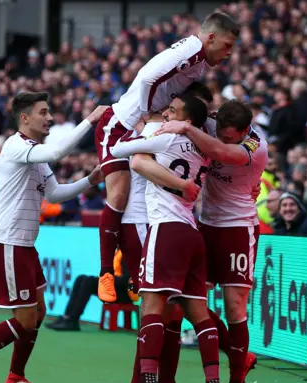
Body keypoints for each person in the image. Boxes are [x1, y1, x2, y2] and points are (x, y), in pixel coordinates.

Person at [0, 92, 106, 383]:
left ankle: (16, 376)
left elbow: (55, 196)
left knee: (39, 311)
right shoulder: (16, 146)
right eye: (43, 112)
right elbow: (58, 151)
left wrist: (91, 179)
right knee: (25, 319)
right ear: (24, 119)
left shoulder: (35, 155)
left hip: (24, 245)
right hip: (7, 243)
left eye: (49, 112)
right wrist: (90, 119)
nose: (50, 118)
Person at [95, 12, 239, 304]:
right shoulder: (190, 51)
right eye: (226, 45)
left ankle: (138, 274)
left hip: (143, 125)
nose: (228, 53)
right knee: (120, 195)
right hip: (121, 124)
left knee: (139, 198)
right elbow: (148, 76)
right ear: (211, 37)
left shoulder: (197, 60)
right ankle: (106, 272)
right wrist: (148, 113)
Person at [112, 94, 225, 383]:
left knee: (151, 304)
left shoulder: (164, 136)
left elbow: (121, 152)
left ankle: (148, 382)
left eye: (173, 111)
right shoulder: (204, 149)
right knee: (199, 313)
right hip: (192, 232)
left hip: (166, 227)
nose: (166, 114)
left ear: (186, 121)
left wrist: (148, 131)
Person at [157, 99, 268, 383]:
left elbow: (221, 153)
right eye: (220, 133)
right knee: (186, 304)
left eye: (230, 136)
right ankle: (174, 380)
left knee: (235, 308)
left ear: (245, 131)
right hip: (204, 225)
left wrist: (188, 127)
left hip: (238, 227)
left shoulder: (256, 145)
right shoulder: (212, 125)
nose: (222, 139)